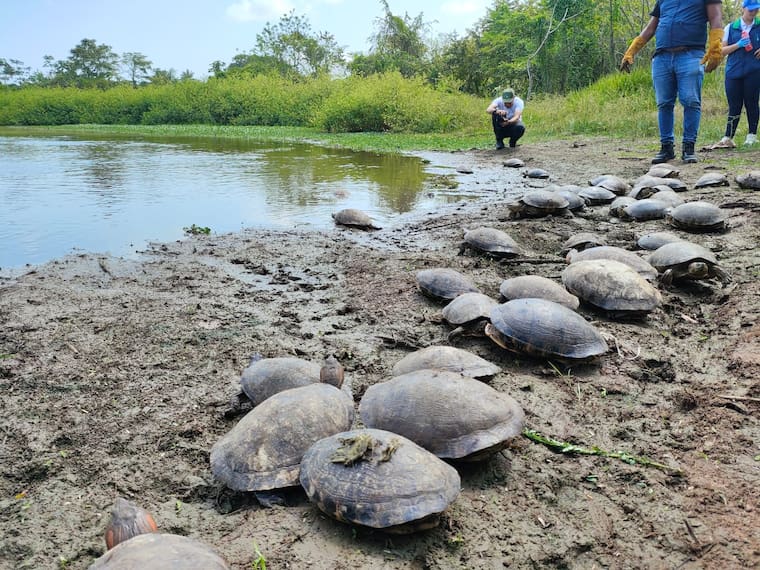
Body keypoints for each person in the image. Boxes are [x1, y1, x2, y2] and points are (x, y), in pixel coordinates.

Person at [620, 0, 724, 164]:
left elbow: (716, 18)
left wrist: (715, 47)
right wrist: (632, 50)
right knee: (663, 103)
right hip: (662, 56)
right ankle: (666, 148)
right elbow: (651, 27)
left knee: (691, 101)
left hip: (691, 54)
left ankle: (688, 148)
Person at [709, 0, 760, 148]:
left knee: (752, 102)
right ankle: (728, 136)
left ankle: (751, 136)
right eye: (750, 9)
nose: (753, 12)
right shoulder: (731, 27)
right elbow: (721, 51)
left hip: (754, 70)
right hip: (734, 71)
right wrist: (738, 44)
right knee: (734, 104)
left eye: (756, 9)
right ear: (743, 8)